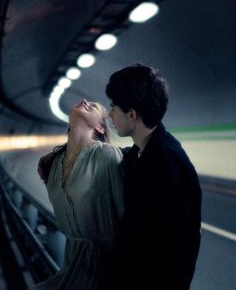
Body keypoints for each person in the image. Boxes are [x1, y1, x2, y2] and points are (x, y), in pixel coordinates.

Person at [105, 64, 202, 290]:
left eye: (113, 107)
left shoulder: (167, 163)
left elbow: (176, 248)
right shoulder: (144, 153)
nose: (109, 114)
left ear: (131, 114)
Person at [34, 99, 124, 290]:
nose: (84, 101)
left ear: (100, 127)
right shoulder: (51, 164)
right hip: (70, 269)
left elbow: (125, 216)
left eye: (94, 106)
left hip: (105, 272)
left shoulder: (106, 155)